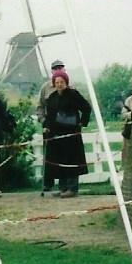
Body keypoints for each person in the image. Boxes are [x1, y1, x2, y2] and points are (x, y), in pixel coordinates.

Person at [42, 70, 91, 198]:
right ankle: (62, 187)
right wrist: (46, 127)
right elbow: (49, 116)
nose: (59, 84)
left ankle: (72, 188)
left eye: (62, 82)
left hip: (71, 134)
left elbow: (86, 108)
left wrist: (82, 122)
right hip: (57, 135)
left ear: (66, 82)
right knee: (59, 160)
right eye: (57, 82)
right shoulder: (51, 98)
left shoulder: (73, 94)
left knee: (71, 160)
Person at [36, 59, 65, 193]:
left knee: (63, 154)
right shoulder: (45, 88)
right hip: (49, 126)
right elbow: (40, 106)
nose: (58, 70)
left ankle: (63, 183)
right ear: (52, 71)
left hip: (64, 126)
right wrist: (42, 120)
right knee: (49, 155)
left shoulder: (69, 86)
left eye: (60, 68)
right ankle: (48, 183)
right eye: (55, 68)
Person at [120, 75, 132, 164]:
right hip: (130, 130)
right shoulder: (130, 100)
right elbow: (123, 114)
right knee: (126, 150)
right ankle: (124, 167)